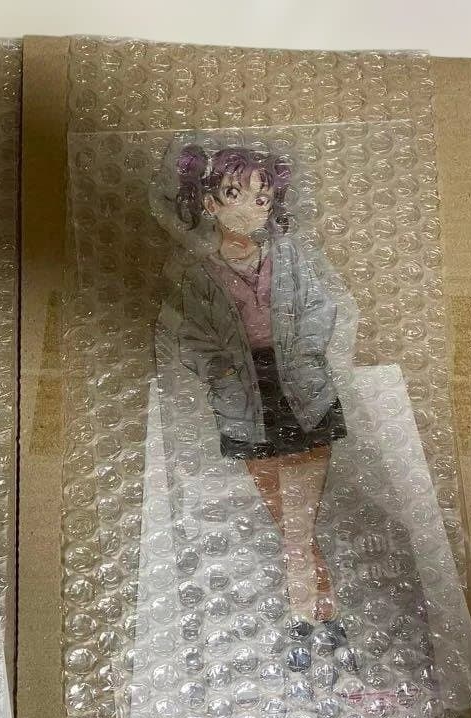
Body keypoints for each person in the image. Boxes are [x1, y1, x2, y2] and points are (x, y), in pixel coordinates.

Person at [170, 144, 349, 660]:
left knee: (298, 523)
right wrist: (223, 372)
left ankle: (303, 623)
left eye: (262, 198)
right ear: (210, 204)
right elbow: (191, 337)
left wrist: (304, 353)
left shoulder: (289, 259)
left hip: (303, 392)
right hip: (244, 403)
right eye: (235, 194)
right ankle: (325, 618)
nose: (251, 208)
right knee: (288, 522)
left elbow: (319, 308)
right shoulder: (199, 274)